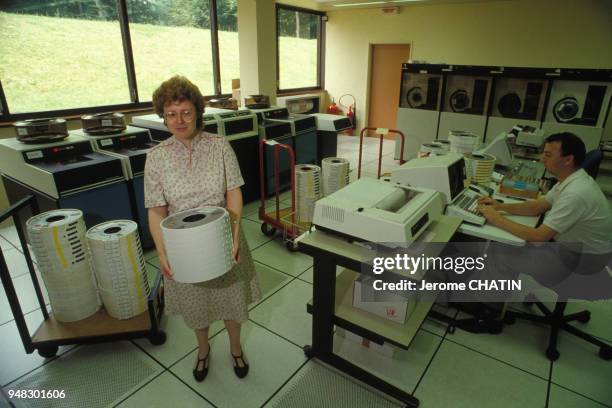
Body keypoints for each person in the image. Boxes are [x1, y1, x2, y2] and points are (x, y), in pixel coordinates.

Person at [144, 75, 261, 382]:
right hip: (182, 246)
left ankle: (235, 348)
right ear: (163, 116)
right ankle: (203, 349)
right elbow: (156, 212)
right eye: (171, 114)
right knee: (196, 305)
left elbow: (234, 192)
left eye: (185, 112)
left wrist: (233, 234)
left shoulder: (219, 146)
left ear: (197, 111)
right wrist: (162, 250)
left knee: (231, 300)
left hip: (223, 236)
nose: (179, 120)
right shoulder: (156, 157)